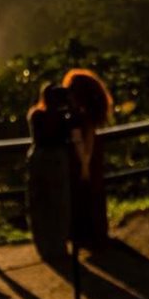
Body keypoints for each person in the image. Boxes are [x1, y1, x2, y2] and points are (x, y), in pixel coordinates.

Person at [26, 84, 78, 263]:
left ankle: (44, 246)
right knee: (60, 202)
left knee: (40, 203)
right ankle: (59, 245)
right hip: (57, 160)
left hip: (38, 159)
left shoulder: (36, 115)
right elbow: (72, 132)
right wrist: (70, 106)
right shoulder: (64, 117)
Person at [63, 68, 113, 250]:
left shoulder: (77, 116)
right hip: (91, 159)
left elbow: (81, 142)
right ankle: (96, 234)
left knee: (82, 198)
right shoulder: (89, 115)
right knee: (94, 196)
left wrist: (84, 164)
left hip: (81, 160)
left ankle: (86, 237)